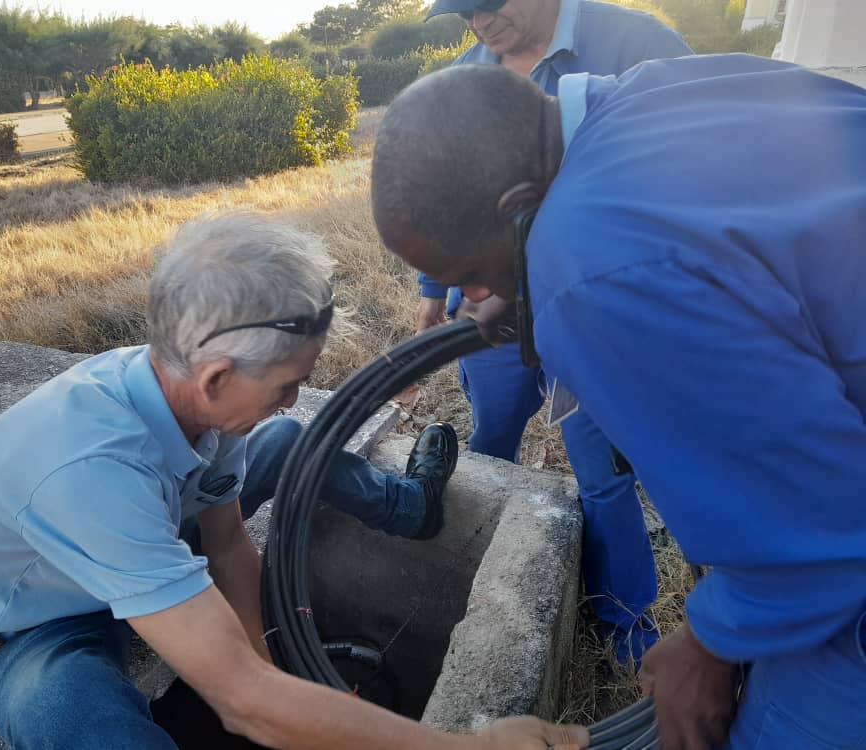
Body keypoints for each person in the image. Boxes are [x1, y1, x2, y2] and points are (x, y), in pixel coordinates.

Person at [0, 213, 588, 750]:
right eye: (287, 385)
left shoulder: (193, 402)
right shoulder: (88, 468)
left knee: (291, 441)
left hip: (139, 540)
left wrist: (266, 671)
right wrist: (466, 747)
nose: (292, 395)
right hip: (33, 628)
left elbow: (226, 544)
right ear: (215, 376)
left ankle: (407, 508)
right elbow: (241, 703)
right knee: (79, 717)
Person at [370, 57, 866, 750]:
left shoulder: (591, 269)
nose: (478, 299)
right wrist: (523, 282)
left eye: (474, 276)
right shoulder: (652, 90)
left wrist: (711, 645)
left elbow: (827, 531)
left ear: (516, 205)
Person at [415, 0, 693, 665]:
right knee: (489, 446)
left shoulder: (636, 44)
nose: (479, 22)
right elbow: (443, 195)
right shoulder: (464, 76)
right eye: (463, 13)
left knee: (601, 470)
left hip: (597, 315)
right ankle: (482, 590)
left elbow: (689, 173)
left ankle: (623, 628)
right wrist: (432, 292)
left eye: (488, 3)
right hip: (490, 309)